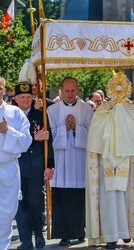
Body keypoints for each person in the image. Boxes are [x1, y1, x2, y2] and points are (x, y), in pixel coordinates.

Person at [86, 72, 134, 248]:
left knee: (127, 199)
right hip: (106, 162)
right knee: (109, 201)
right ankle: (110, 236)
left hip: (126, 161)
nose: (118, 97)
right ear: (109, 92)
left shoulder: (130, 109)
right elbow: (95, 134)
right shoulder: (103, 110)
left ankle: (127, 232)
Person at [47, 77, 93, 246]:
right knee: (62, 197)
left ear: (78, 89)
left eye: (73, 90)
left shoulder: (87, 109)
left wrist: (76, 129)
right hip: (60, 161)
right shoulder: (52, 110)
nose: (70, 94)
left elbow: (92, 134)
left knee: (79, 197)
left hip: (79, 160)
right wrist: (64, 128)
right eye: (67, 91)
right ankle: (64, 234)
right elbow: (50, 135)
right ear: (61, 90)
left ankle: (80, 231)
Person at [14, 81, 54, 249]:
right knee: (20, 205)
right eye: (22, 97)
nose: (25, 100)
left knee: (36, 202)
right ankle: (25, 240)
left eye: (29, 97)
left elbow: (49, 141)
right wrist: (33, 137)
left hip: (36, 167)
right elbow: (12, 139)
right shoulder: (11, 116)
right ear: (15, 98)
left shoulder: (40, 115)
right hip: (16, 167)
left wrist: (50, 166)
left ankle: (38, 234)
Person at [0, 76, 32, 250]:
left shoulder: (14, 112)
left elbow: (27, 141)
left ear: (5, 90)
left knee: (6, 216)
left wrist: (7, 131)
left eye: (0, 88)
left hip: (8, 170)